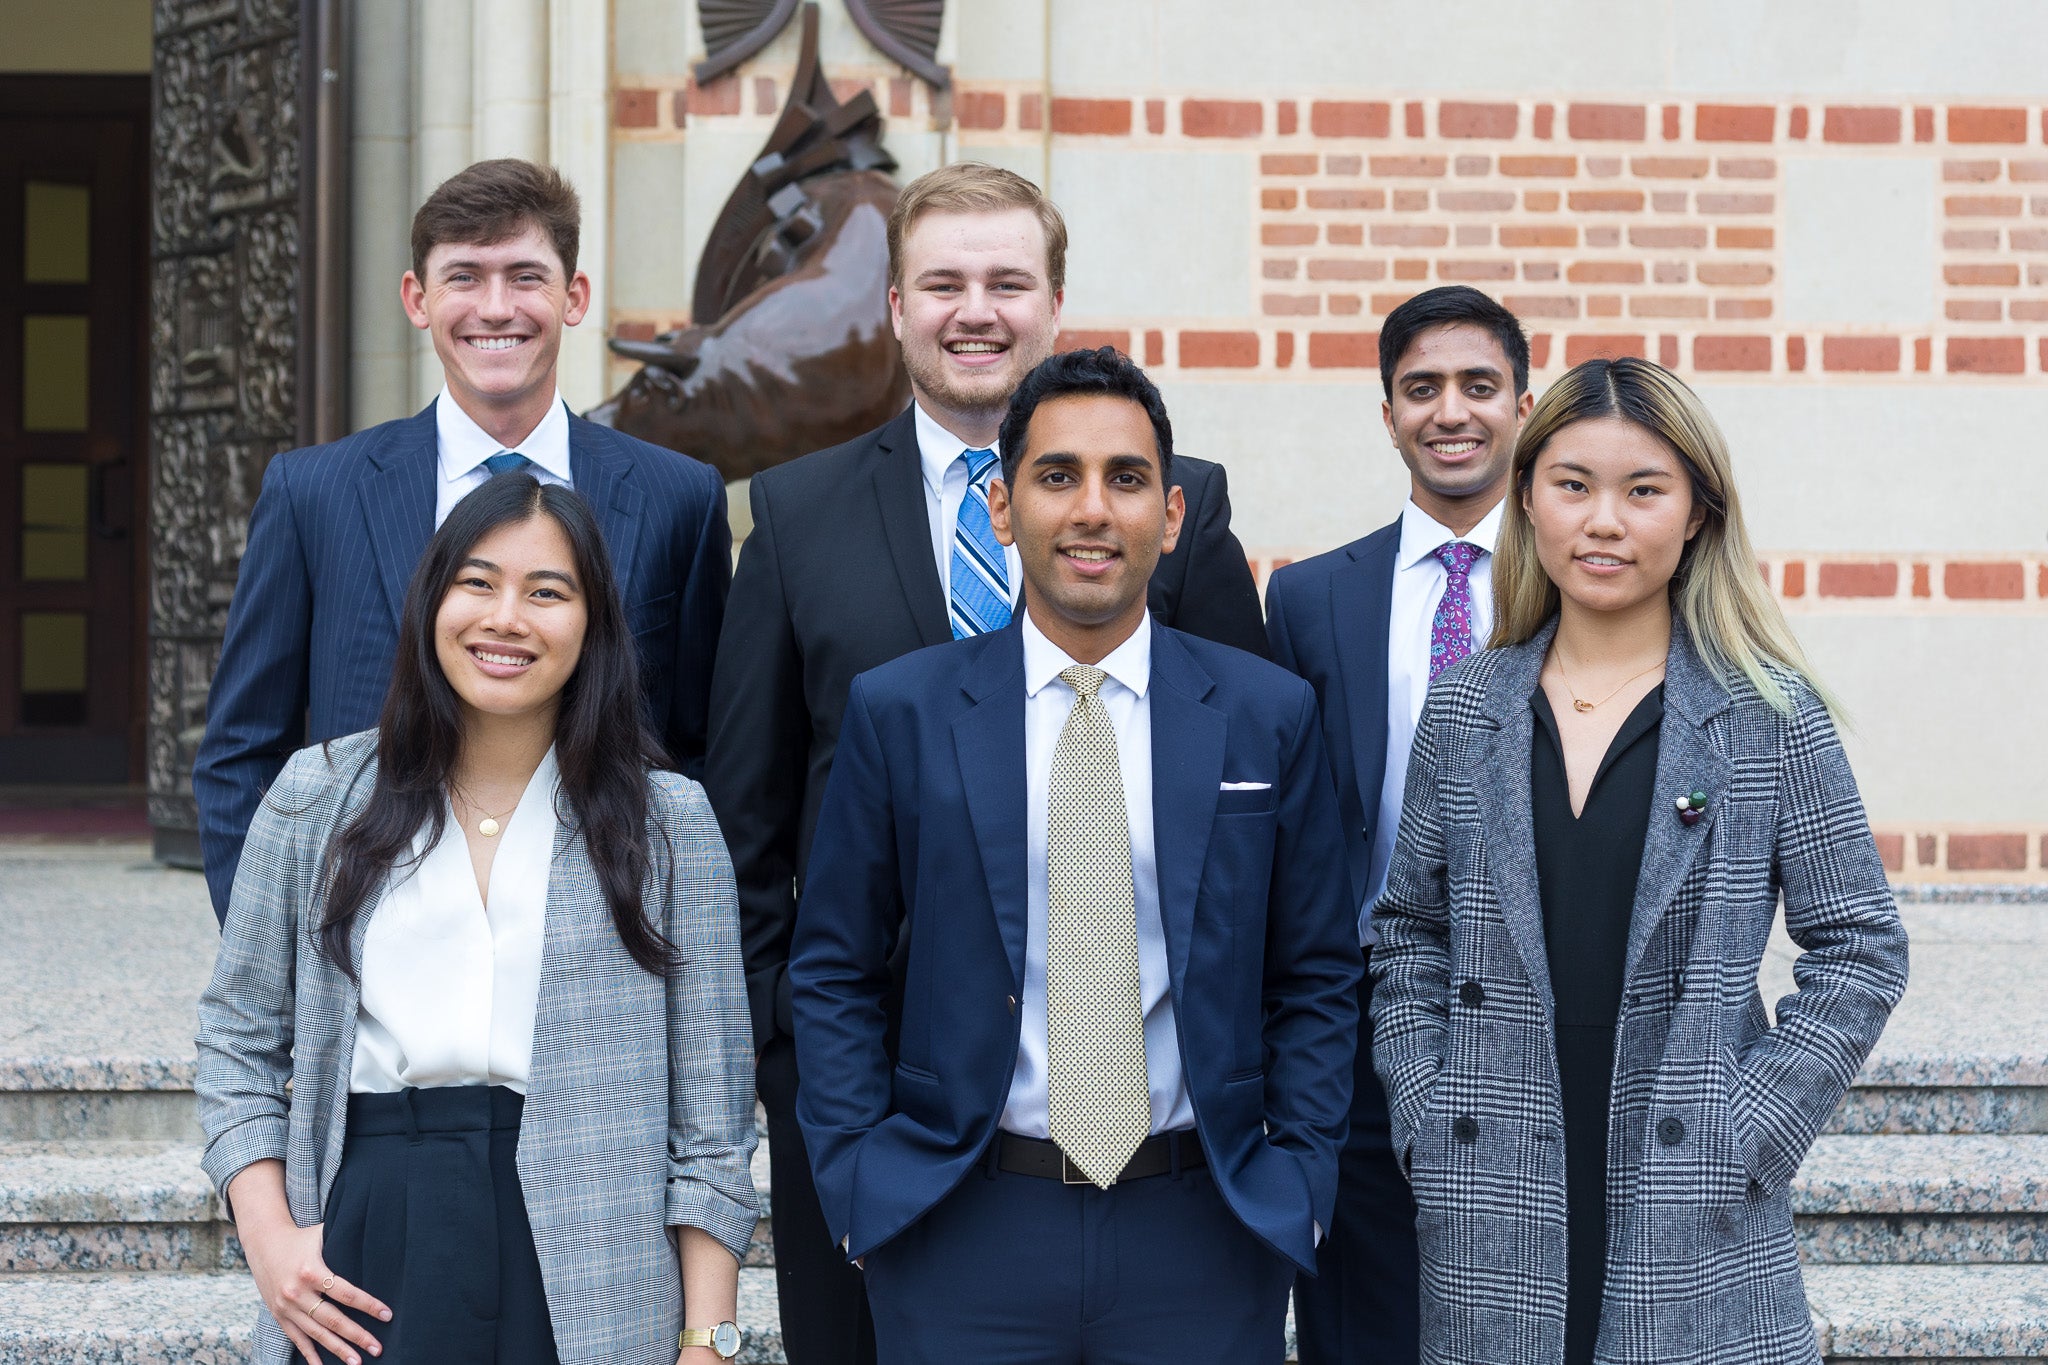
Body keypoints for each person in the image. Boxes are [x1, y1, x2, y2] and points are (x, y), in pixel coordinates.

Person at [704, 161, 1268, 1365]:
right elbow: (743, 832)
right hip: (873, 1104)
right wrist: (801, 1090)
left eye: (1008, 282)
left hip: (1130, 1113)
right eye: (943, 282)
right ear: (894, 306)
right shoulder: (794, 516)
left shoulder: (1176, 508)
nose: (977, 311)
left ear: (1054, 305)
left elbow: (1254, 805)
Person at [787, 347, 1359, 1364]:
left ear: (1171, 516)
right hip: (962, 1227)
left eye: (1125, 479)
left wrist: (1299, 1182)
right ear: (1002, 507)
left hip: (1200, 1232)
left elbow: (1314, 968)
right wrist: (856, 1182)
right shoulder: (902, 710)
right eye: (1057, 477)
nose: (1091, 509)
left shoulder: (1264, 715)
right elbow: (832, 967)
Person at [1369, 357, 1909, 1364]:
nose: (1602, 521)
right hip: (1490, 1188)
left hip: (1689, 1192)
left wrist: (1741, 1130)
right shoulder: (1465, 707)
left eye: (1642, 490)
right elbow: (1408, 932)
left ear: (1697, 512)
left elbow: (1858, 948)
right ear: (1526, 500)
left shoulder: (1765, 715)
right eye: (1571, 485)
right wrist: (1426, 1111)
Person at [195, 475, 759, 1365]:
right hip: (371, 1240)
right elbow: (237, 1037)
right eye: (478, 582)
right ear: (432, 602)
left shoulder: (669, 822)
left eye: (547, 592)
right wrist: (268, 1237)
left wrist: (709, 1340)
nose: (507, 617)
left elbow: (713, 1123)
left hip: (595, 1254)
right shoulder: (318, 795)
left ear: (593, 623)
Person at [194, 158, 730, 924]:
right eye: (465, 277)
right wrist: (275, 953)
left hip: (601, 950)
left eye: (525, 276)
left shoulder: (681, 497)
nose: (496, 307)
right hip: (366, 939)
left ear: (573, 297)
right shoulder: (313, 493)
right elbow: (240, 753)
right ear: (418, 299)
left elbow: (705, 753)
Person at [1264, 284, 1533, 1363]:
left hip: (1540, 1005)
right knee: (1361, 1315)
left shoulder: (1584, 583)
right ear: (1387, 415)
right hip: (1368, 1004)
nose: (1449, 411)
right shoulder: (1310, 599)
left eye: (1477, 385)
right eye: (1420, 389)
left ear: (1522, 402)